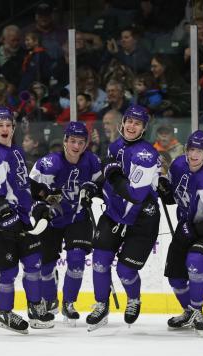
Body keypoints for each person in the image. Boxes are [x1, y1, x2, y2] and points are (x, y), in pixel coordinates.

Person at [83, 105, 161, 331]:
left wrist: (114, 173)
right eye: (129, 121)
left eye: (137, 123)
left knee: (125, 271)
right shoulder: (115, 146)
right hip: (115, 212)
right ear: (123, 122)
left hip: (141, 217)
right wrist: (93, 186)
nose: (131, 125)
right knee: (99, 260)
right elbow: (108, 177)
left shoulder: (146, 154)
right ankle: (101, 305)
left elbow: (135, 194)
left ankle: (134, 299)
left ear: (144, 128)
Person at [0, 106, 54, 334]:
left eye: (8, 125)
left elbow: (22, 183)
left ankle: (34, 307)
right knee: (8, 271)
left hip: (18, 216)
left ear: (13, 128)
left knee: (33, 262)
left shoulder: (17, 152)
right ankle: (4, 312)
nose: (4, 129)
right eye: (0, 125)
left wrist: (42, 193)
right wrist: (5, 214)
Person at [28, 121, 102, 324]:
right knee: (45, 265)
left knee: (77, 259)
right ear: (64, 141)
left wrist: (94, 191)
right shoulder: (49, 163)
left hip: (78, 217)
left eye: (81, 142)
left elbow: (102, 185)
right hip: (52, 220)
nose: (76, 146)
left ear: (86, 144)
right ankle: (50, 299)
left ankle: (69, 303)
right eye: (72, 141)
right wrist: (40, 209)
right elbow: (30, 190)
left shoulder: (92, 162)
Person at [157, 130, 203, 333]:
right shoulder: (178, 164)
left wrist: (193, 228)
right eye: (191, 149)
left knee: (195, 261)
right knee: (176, 278)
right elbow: (172, 196)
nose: (195, 155)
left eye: (201, 151)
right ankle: (188, 311)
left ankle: (198, 311)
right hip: (187, 227)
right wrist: (163, 185)